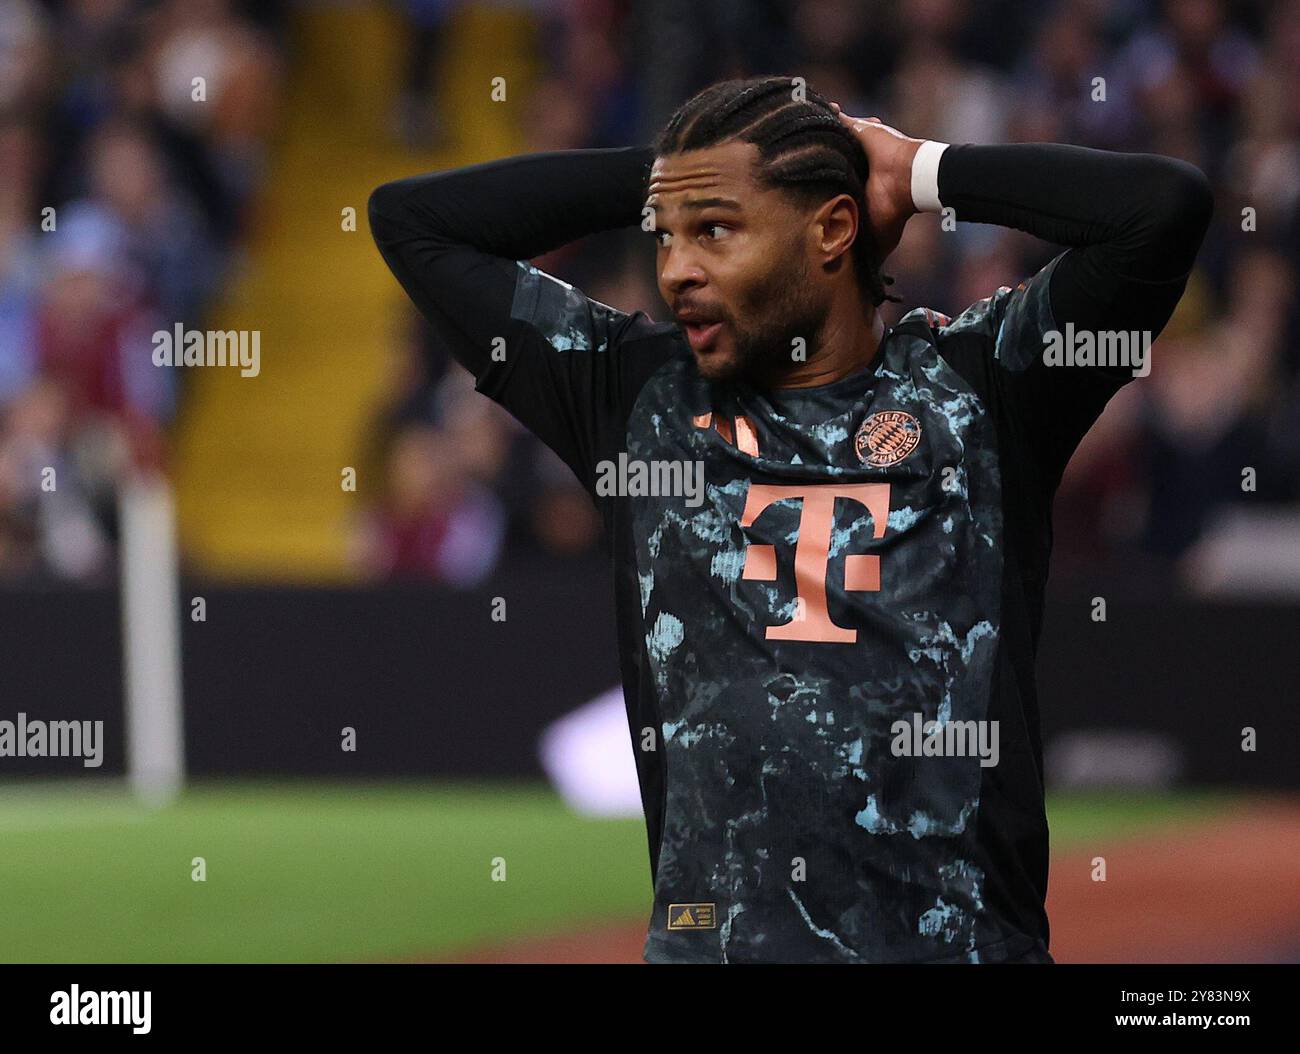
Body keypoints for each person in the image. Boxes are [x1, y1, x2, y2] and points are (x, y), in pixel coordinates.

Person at [368, 75, 1211, 964]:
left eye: (717, 231)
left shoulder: (985, 385)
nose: (677, 269)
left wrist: (923, 169)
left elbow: (1160, 208)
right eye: (667, 237)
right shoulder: (634, 397)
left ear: (834, 230)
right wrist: (671, 178)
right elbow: (413, 222)